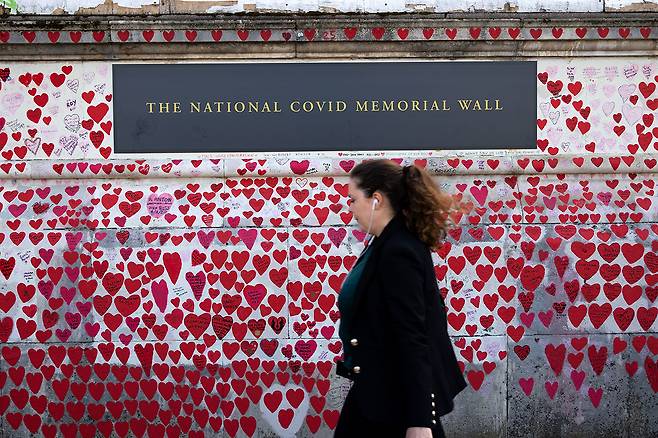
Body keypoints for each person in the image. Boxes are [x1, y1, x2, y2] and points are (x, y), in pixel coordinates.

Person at [334, 159, 467, 438]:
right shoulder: (383, 244)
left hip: (393, 400)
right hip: (376, 390)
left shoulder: (398, 250)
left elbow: (413, 334)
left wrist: (420, 419)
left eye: (353, 199)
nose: (349, 209)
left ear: (376, 199)